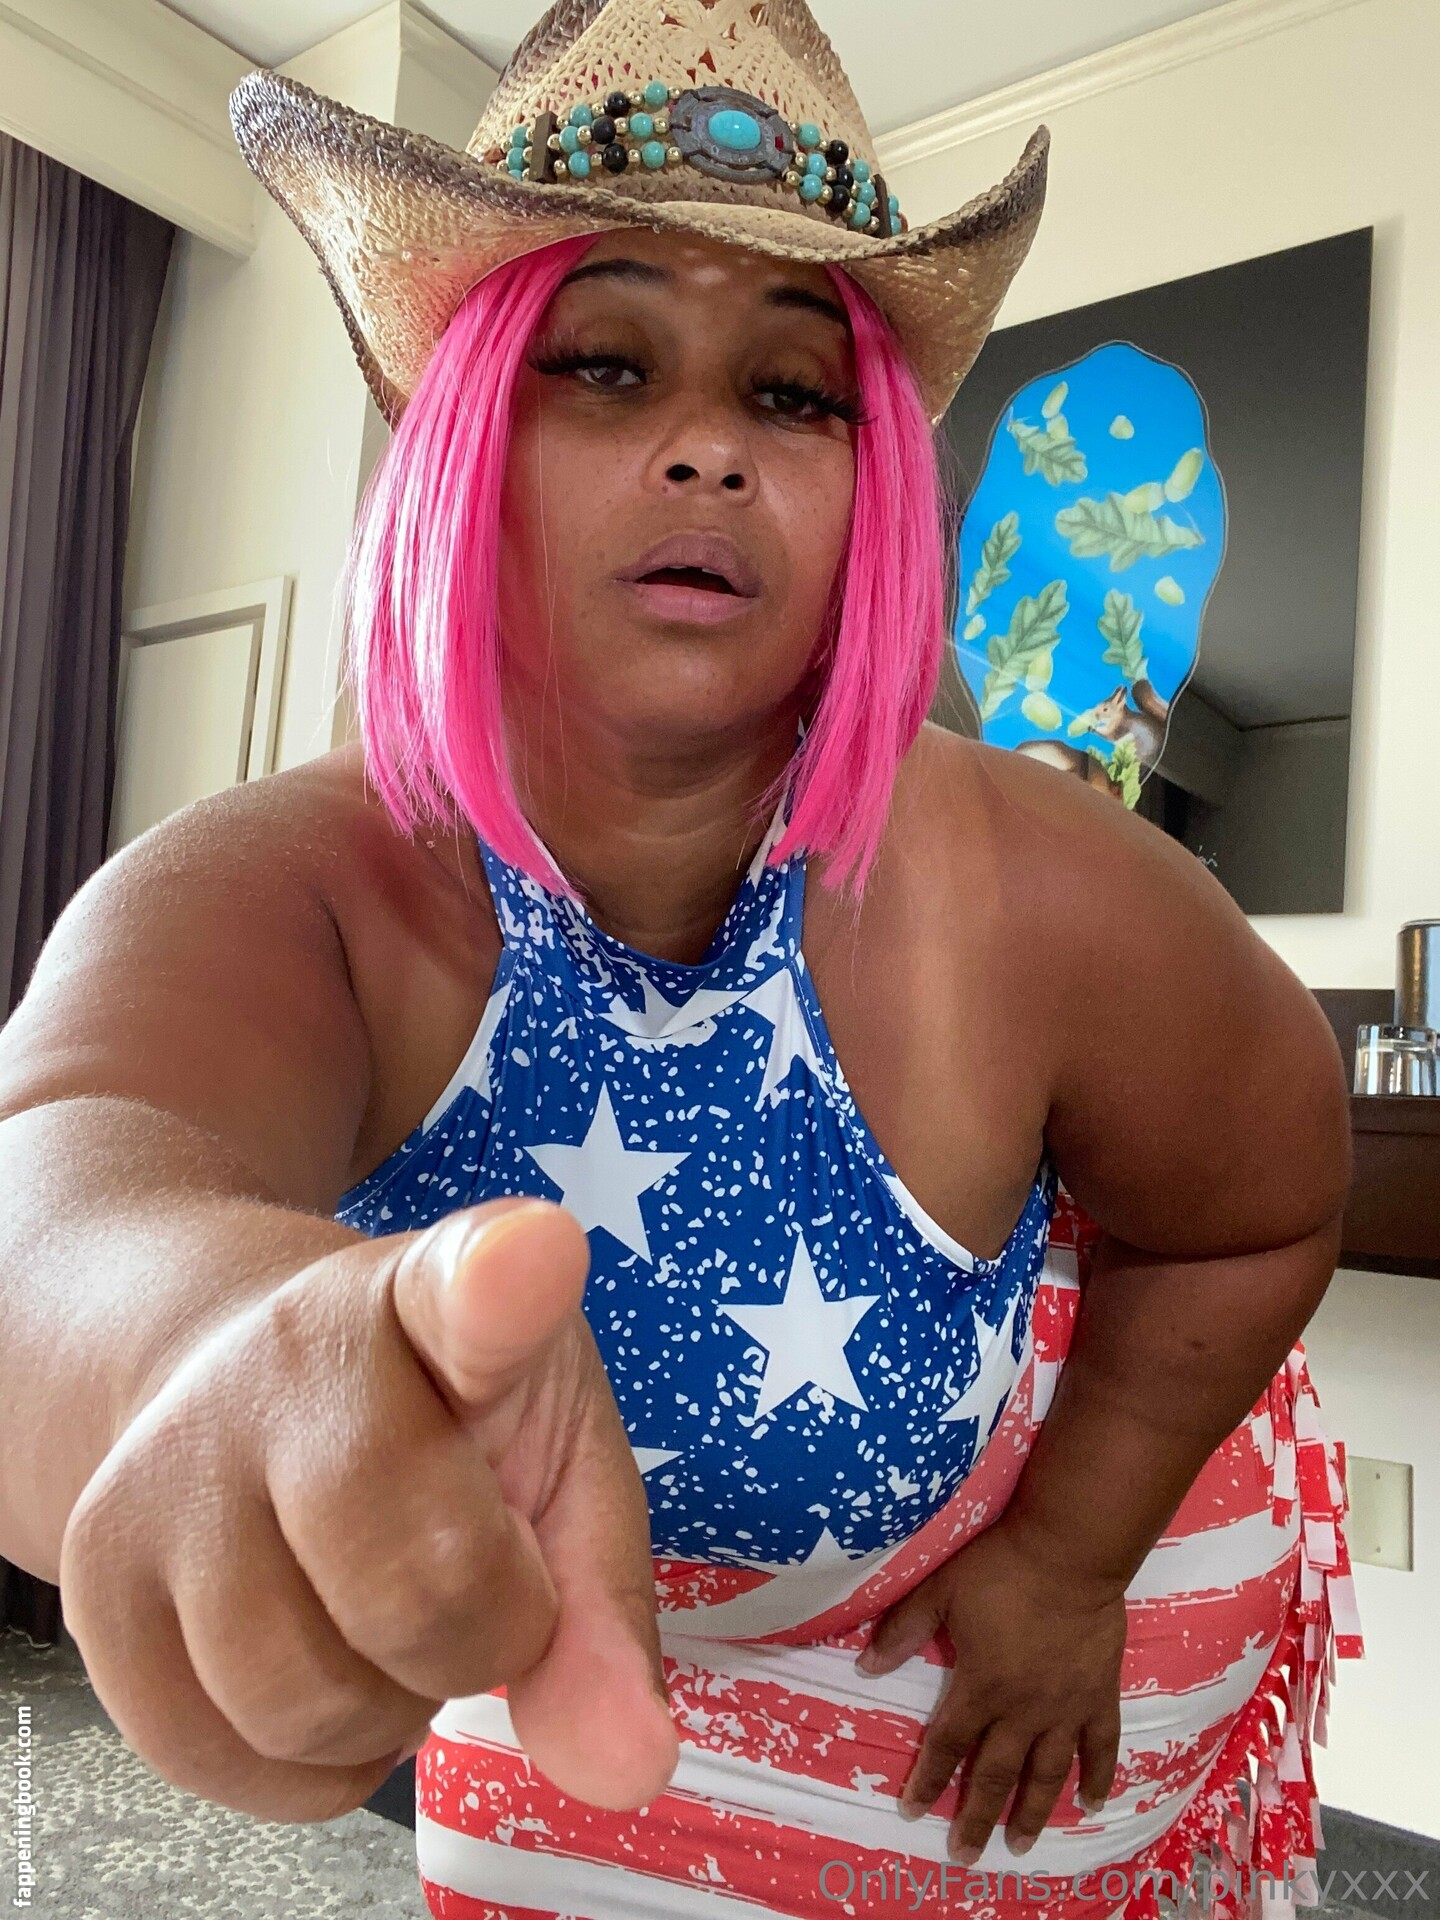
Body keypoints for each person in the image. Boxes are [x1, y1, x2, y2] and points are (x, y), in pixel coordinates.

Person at [0, 2, 1364, 1917]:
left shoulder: (1055, 888)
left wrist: (1073, 1565)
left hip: (1028, 1611)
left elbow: (1255, 1213)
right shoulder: (287, 890)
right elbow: (55, 1192)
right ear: (463, 440)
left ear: (874, 491)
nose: (711, 448)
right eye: (605, 364)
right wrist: (222, 1359)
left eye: (795, 395)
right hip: (610, 1656)